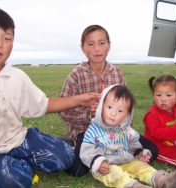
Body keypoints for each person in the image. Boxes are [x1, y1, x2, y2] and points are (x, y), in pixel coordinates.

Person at [0, 8, 98, 188]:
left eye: (7, 38)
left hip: (20, 139)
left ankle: (20, 159)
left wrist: (81, 99)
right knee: (15, 180)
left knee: (65, 157)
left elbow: (45, 104)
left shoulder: (17, 76)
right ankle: (3, 168)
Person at [59, 24, 158, 176]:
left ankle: (111, 158)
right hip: (86, 132)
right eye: (90, 44)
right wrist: (89, 114)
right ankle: (68, 143)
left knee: (152, 150)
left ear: (109, 45)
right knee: (77, 170)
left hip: (116, 132)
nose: (96, 49)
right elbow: (63, 111)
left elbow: (127, 108)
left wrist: (125, 130)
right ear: (82, 47)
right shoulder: (75, 76)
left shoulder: (116, 74)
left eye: (101, 43)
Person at [80, 85, 176, 188]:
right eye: (109, 107)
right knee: (116, 174)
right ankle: (135, 186)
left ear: (127, 115)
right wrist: (98, 161)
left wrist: (139, 153)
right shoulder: (93, 130)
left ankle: (161, 180)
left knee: (141, 166)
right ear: (101, 106)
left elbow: (134, 144)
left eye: (120, 111)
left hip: (126, 160)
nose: (113, 113)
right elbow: (86, 152)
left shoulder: (126, 130)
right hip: (106, 166)